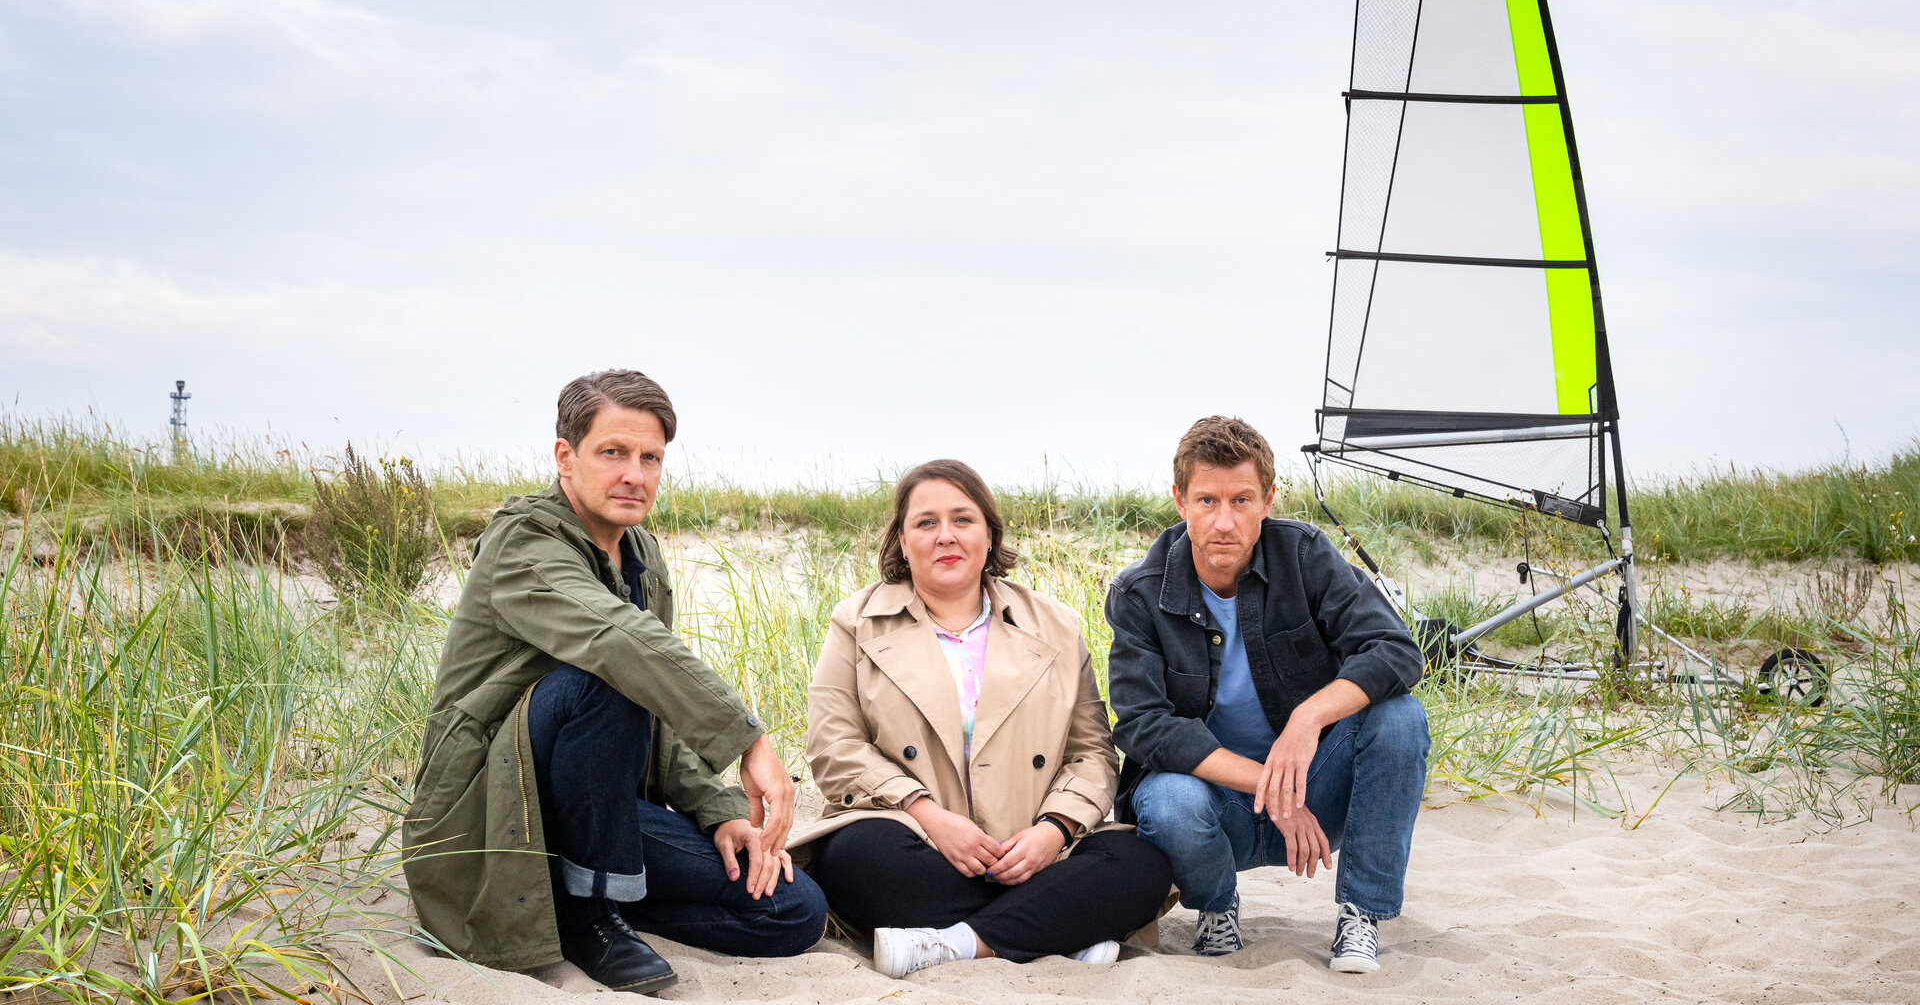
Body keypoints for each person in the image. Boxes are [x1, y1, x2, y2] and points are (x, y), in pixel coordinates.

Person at [402, 370, 826, 996]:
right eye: (613, 453)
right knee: (601, 679)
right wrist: (747, 740)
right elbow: (618, 644)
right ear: (565, 457)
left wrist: (718, 812)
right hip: (493, 809)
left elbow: (657, 704)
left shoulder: (642, 554)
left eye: (650, 457)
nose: (635, 474)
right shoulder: (523, 542)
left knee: (794, 911)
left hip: (598, 809)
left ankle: (582, 894)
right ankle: (590, 915)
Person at [789, 459, 1173, 979]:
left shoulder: (1055, 626)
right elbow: (834, 745)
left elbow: (1093, 753)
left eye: (963, 519)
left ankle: (956, 942)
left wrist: (1054, 832)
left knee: (1142, 866)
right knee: (856, 859)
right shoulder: (855, 622)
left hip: (1033, 849)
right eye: (926, 523)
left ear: (990, 534)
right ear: (902, 541)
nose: (945, 535)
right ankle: (1058, 928)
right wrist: (930, 817)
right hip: (916, 840)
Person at [1105, 416, 1429, 973]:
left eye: (1242, 499)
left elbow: (1396, 650)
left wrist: (1307, 718)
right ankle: (1216, 907)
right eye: (1207, 500)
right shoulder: (1140, 592)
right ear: (1179, 500)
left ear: (1269, 499)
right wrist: (1269, 787)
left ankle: (1359, 916)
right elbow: (1143, 725)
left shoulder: (1305, 555)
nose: (1224, 521)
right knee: (1165, 800)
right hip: (1219, 803)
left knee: (1400, 718)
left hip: (1315, 786)